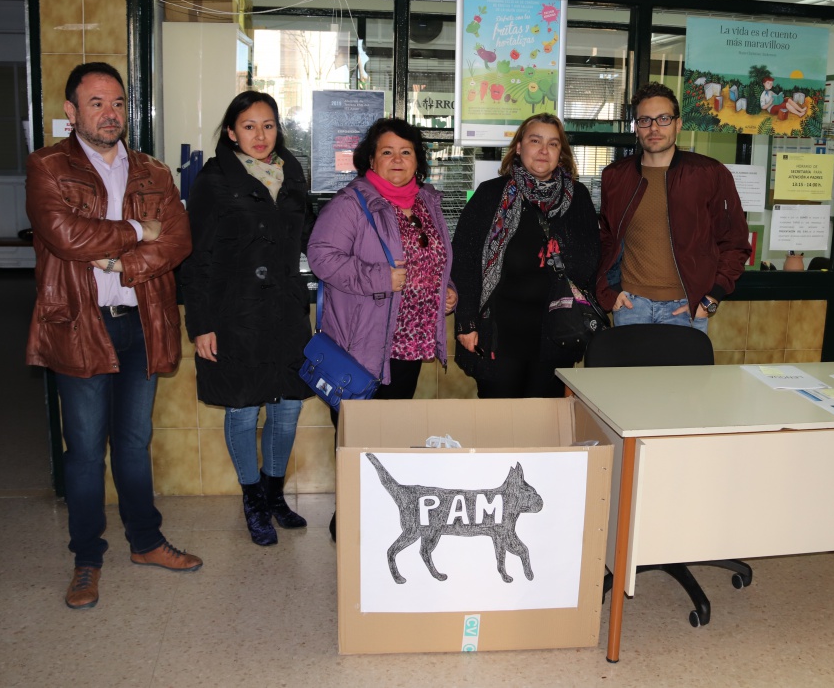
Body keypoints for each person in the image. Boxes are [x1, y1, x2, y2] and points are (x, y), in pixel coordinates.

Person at [25, 62, 201, 611]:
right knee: (83, 453)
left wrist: (125, 266)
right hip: (78, 325)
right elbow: (64, 235)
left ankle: (146, 542)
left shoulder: (152, 171)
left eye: (119, 103)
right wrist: (135, 231)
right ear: (72, 112)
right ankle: (87, 560)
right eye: (97, 103)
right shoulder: (47, 166)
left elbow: (176, 240)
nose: (110, 113)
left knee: (132, 443)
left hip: (142, 322)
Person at [306, 117, 457, 540]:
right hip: (364, 341)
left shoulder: (426, 201)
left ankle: (378, 514)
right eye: (387, 152)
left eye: (406, 152)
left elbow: (435, 259)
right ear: (370, 158)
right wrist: (377, 277)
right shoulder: (353, 203)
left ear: (418, 160)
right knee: (359, 433)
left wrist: (448, 292)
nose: (397, 160)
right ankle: (350, 521)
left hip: (410, 340)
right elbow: (321, 255)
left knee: (390, 431)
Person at [179, 91, 314, 547]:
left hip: (285, 313)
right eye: (250, 126)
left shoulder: (292, 174)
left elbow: (312, 240)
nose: (260, 135)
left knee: (288, 406)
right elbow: (195, 258)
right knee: (242, 408)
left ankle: (275, 495)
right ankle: (253, 500)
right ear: (232, 131)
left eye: (269, 125)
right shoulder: (214, 180)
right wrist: (200, 324)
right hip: (233, 315)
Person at [451, 113, 600, 398]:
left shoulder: (577, 197)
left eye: (553, 144)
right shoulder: (490, 195)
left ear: (561, 153)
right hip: (499, 334)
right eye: (535, 141)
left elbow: (590, 260)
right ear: (519, 147)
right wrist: (466, 322)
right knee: (499, 423)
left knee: (544, 424)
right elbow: (465, 260)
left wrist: (559, 253)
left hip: (557, 333)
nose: (544, 150)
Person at [597, 82, 751, 334]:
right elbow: (605, 239)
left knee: (684, 375)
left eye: (663, 118)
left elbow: (735, 243)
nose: (654, 127)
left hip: (686, 308)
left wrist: (711, 298)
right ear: (636, 128)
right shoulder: (615, 176)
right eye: (645, 120)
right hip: (630, 306)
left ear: (678, 124)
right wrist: (610, 291)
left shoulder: (709, 173)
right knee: (629, 375)